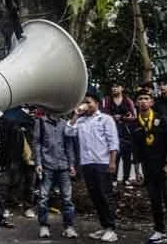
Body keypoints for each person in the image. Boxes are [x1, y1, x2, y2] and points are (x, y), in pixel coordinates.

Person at [131, 90, 167, 243]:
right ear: (136, 103)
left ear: (152, 102)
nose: (143, 101)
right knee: (154, 200)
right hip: (148, 168)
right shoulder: (135, 123)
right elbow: (136, 149)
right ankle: (159, 231)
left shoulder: (161, 119)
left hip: (164, 165)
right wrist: (137, 171)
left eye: (146, 98)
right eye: (140, 99)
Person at [67, 92, 119, 242]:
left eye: (89, 102)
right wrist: (76, 115)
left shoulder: (105, 119)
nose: (86, 105)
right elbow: (68, 131)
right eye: (84, 102)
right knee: (95, 196)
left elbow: (113, 142)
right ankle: (104, 227)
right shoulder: (81, 121)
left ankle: (111, 228)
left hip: (102, 163)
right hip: (87, 163)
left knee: (105, 195)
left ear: (97, 103)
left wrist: (112, 162)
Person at [33, 107, 78, 239]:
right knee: (43, 197)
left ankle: (69, 227)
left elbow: (69, 145)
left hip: (63, 165)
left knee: (67, 198)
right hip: (47, 165)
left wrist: (71, 164)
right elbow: (37, 144)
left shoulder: (65, 123)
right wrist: (38, 163)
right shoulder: (41, 122)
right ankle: (44, 226)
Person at [101, 84, 138, 185]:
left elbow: (134, 116)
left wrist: (122, 117)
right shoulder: (107, 100)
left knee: (127, 156)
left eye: (117, 86)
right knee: (114, 155)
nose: (114, 88)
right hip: (111, 131)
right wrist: (113, 117)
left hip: (126, 131)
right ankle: (113, 178)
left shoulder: (128, 101)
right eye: (112, 87)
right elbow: (102, 114)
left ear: (122, 88)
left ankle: (126, 178)